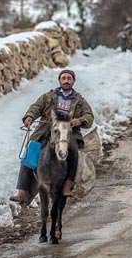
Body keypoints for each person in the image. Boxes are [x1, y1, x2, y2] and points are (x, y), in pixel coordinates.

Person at [10, 69, 94, 203]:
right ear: (59, 81)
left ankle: (68, 186)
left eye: (69, 78)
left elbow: (89, 115)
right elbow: (36, 107)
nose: (66, 80)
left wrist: (79, 121)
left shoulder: (79, 100)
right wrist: (29, 117)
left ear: (73, 81)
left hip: (68, 133)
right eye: (64, 78)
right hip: (45, 132)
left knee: (73, 154)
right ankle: (23, 192)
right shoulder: (48, 97)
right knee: (30, 153)